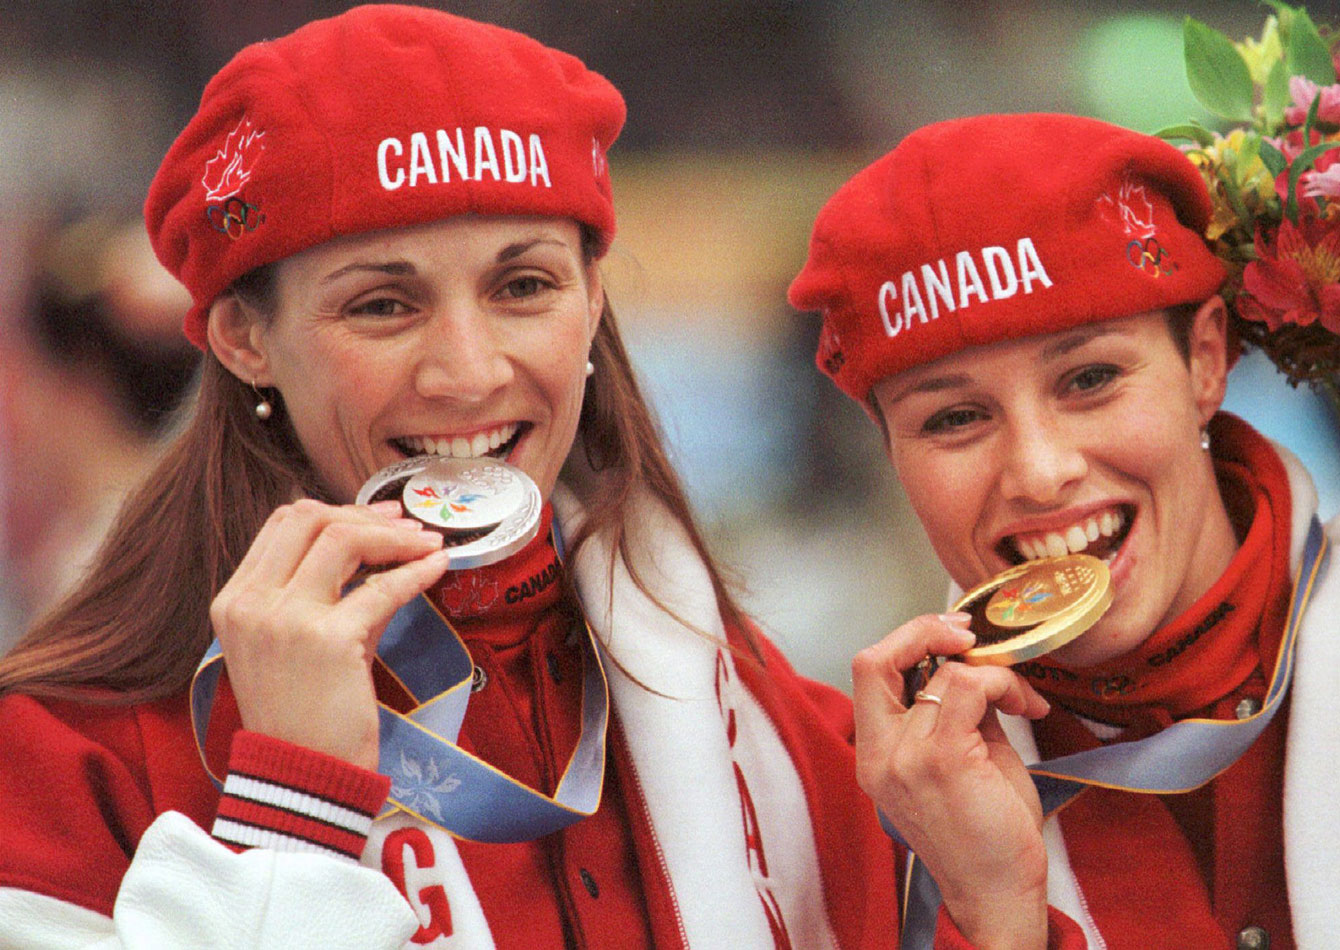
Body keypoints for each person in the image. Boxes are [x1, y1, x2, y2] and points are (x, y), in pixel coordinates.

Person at [0, 7, 900, 948]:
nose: (468, 372)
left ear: (592, 296)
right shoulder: (67, 755)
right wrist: (294, 813)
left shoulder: (770, 722)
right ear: (244, 337)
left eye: (523, 287)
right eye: (383, 305)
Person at [788, 113, 1338, 950]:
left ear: (1205, 362)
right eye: (956, 418)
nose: (1040, 473)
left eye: (1089, 379)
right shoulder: (860, 817)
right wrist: (997, 918)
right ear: (891, 454)